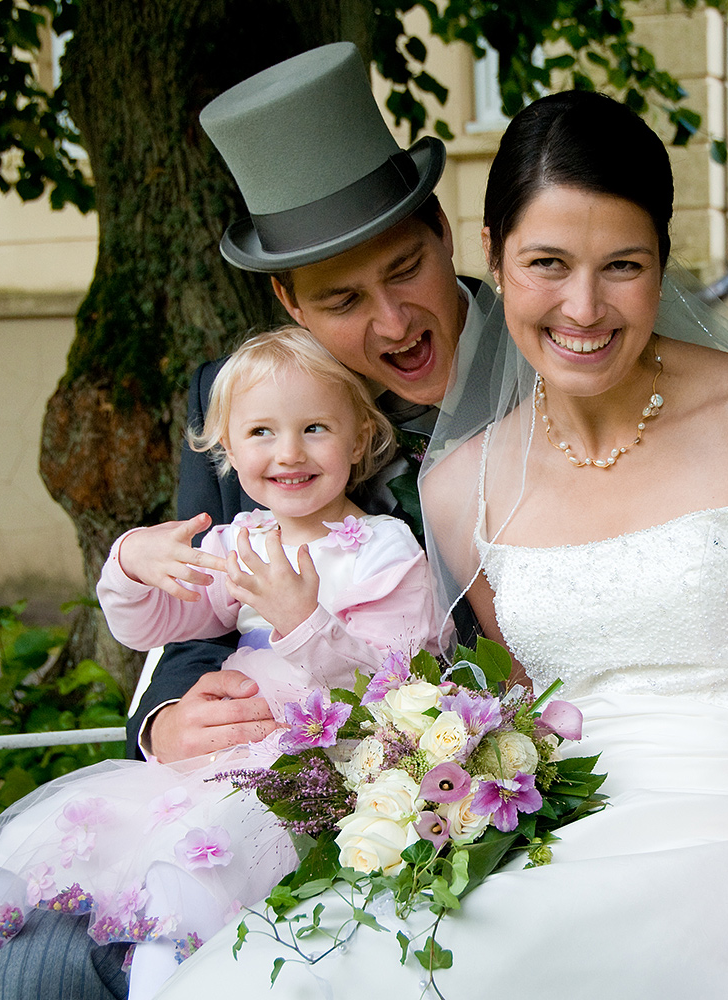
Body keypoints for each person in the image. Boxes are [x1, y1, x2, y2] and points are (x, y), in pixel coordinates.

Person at [154, 88, 728, 1000]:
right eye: (548, 263)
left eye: (624, 266)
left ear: (664, 264)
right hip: (560, 840)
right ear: (498, 257)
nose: (585, 307)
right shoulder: (459, 488)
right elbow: (523, 710)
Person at [0, 328, 436, 1000]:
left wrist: (302, 622)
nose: (289, 452)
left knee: (186, 873)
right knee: (72, 851)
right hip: (216, 765)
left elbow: (401, 675)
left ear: (357, 440)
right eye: (261, 431)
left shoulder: (381, 549)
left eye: (315, 428)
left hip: (317, 763)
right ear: (227, 450)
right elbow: (158, 625)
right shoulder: (240, 539)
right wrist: (131, 565)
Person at [126, 41, 486, 768]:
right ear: (288, 300)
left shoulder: (559, 359)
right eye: (342, 299)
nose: (393, 323)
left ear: (443, 233)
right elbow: (200, 613)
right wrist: (166, 720)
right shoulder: (244, 404)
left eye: (407, 269)